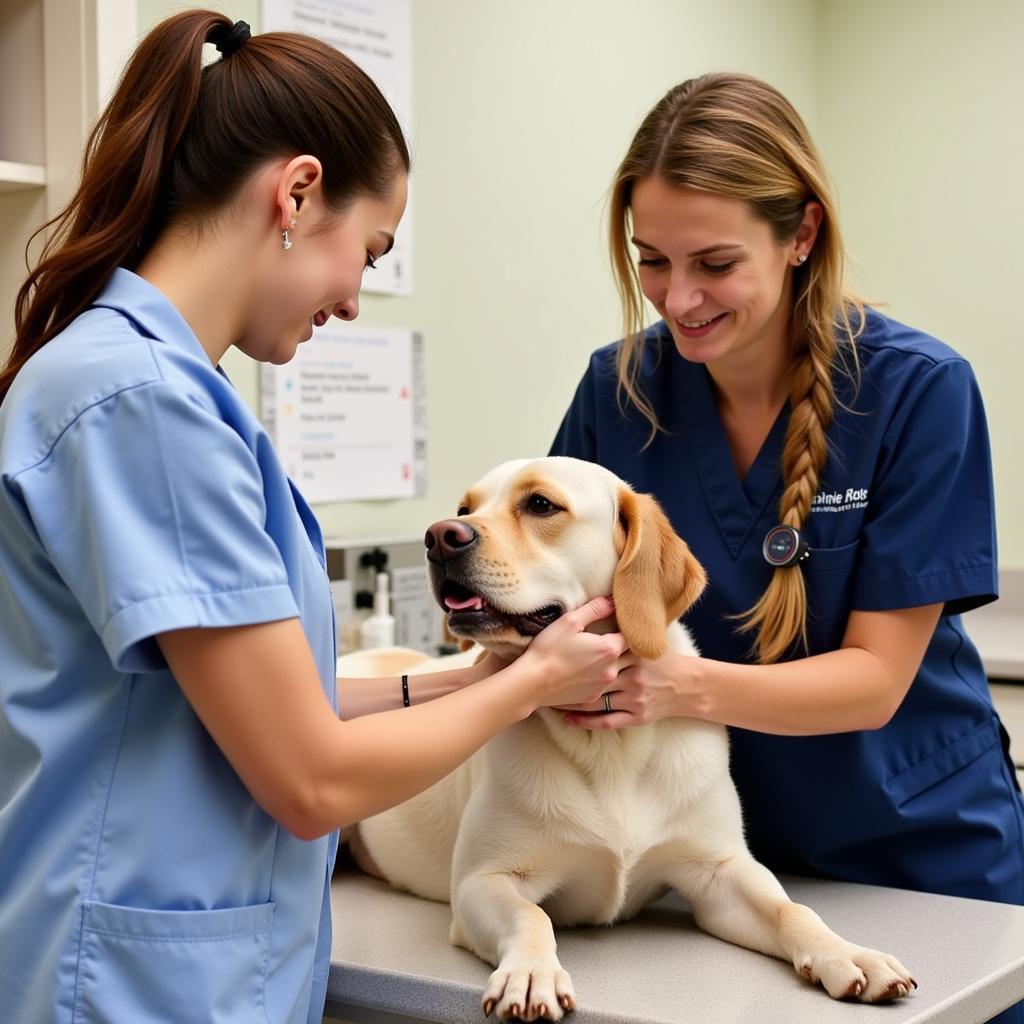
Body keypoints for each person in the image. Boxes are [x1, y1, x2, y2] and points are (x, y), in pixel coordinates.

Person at [0, 12, 627, 1024]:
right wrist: (535, 685)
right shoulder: (141, 405)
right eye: (368, 253)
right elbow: (308, 777)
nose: (352, 298)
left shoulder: (153, 389)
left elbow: (268, 702)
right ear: (295, 194)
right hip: (131, 985)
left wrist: (464, 675)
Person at [549, 71, 1024, 1022]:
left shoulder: (917, 391)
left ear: (801, 234)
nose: (677, 299)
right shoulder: (620, 391)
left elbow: (875, 681)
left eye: (714, 264)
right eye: (652, 261)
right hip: (727, 862)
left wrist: (677, 686)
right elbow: (561, 598)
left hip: (919, 846)